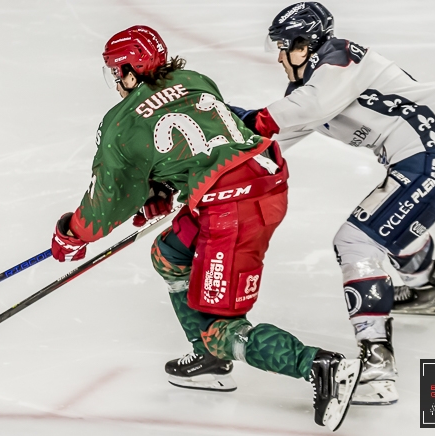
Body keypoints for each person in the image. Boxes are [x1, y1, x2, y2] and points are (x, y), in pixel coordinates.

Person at [50, 25, 362, 432]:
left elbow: (106, 205)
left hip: (233, 206)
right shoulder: (193, 80)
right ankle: (209, 362)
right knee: (170, 255)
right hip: (254, 179)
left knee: (222, 327)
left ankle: (321, 366)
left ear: (129, 70)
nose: (116, 82)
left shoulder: (122, 124)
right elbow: (200, 140)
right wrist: (160, 188)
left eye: (116, 72)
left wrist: (71, 235)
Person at [230, 2, 435, 405]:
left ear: (306, 44)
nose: (279, 57)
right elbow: (272, 142)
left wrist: (239, 119)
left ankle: (378, 367)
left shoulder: (339, 59)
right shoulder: (313, 84)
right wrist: (224, 146)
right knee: (387, 225)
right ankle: (426, 290)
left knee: (357, 242)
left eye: (284, 47)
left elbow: (298, 113)